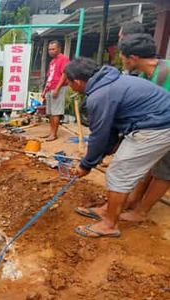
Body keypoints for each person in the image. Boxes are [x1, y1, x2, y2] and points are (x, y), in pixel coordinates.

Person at [64, 57, 170, 238]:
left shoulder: (99, 96)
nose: (69, 87)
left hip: (157, 126)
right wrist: (104, 152)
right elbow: (111, 129)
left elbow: (99, 136)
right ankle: (110, 209)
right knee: (133, 168)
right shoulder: (113, 80)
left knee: (119, 172)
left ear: (78, 82)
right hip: (159, 120)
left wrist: (86, 165)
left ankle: (109, 224)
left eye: (68, 83)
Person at [41, 40, 70, 141]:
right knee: (50, 113)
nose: (51, 51)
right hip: (50, 88)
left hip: (58, 88)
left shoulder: (64, 59)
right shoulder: (52, 61)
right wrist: (44, 91)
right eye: (49, 49)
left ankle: (54, 134)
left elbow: (64, 75)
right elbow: (49, 76)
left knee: (56, 112)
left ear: (59, 49)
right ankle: (51, 133)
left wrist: (57, 89)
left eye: (53, 49)